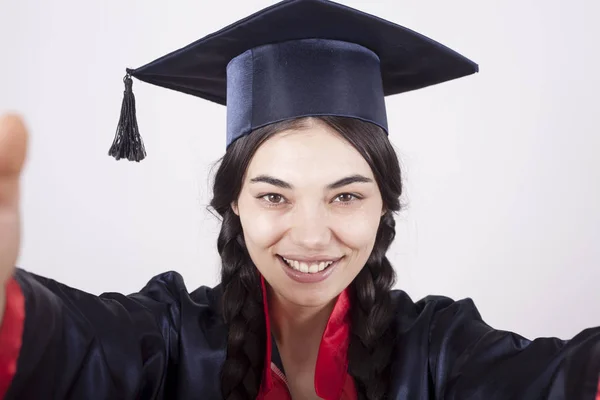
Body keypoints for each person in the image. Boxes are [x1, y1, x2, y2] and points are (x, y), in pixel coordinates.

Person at [0, 0, 599, 399]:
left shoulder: (438, 349)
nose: (312, 236)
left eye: (344, 196)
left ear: (384, 204)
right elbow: (75, 348)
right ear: (233, 200)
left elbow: (558, 381)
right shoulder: (172, 336)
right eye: (274, 197)